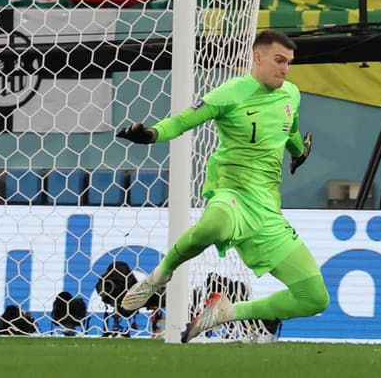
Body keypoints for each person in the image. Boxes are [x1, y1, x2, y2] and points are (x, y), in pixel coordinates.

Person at [115, 30, 326, 343]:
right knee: (214, 225)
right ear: (258, 57)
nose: (285, 69)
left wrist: (299, 153)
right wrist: (152, 135)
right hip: (233, 192)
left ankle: (226, 312)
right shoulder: (231, 93)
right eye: (279, 60)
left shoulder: (291, 94)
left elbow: (290, 131)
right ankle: (158, 277)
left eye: (290, 63)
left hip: (267, 210)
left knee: (314, 299)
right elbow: (184, 120)